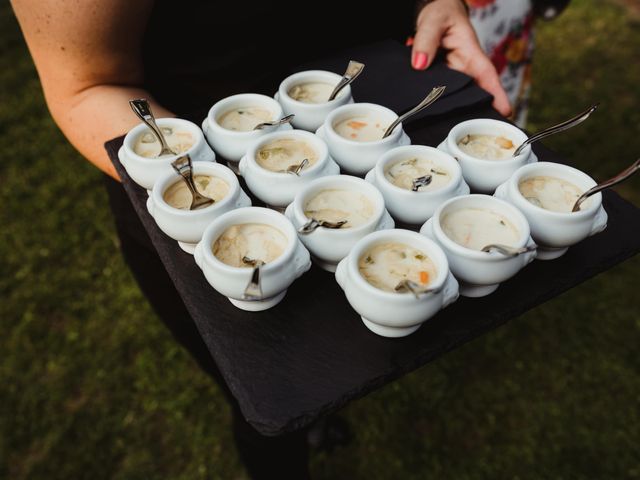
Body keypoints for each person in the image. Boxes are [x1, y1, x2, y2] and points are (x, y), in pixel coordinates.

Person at [10, 0, 569, 477]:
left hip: (384, 119)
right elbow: (85, 85)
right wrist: (218, 192)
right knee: (273, 401)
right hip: (204, 194)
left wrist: (432, 3)